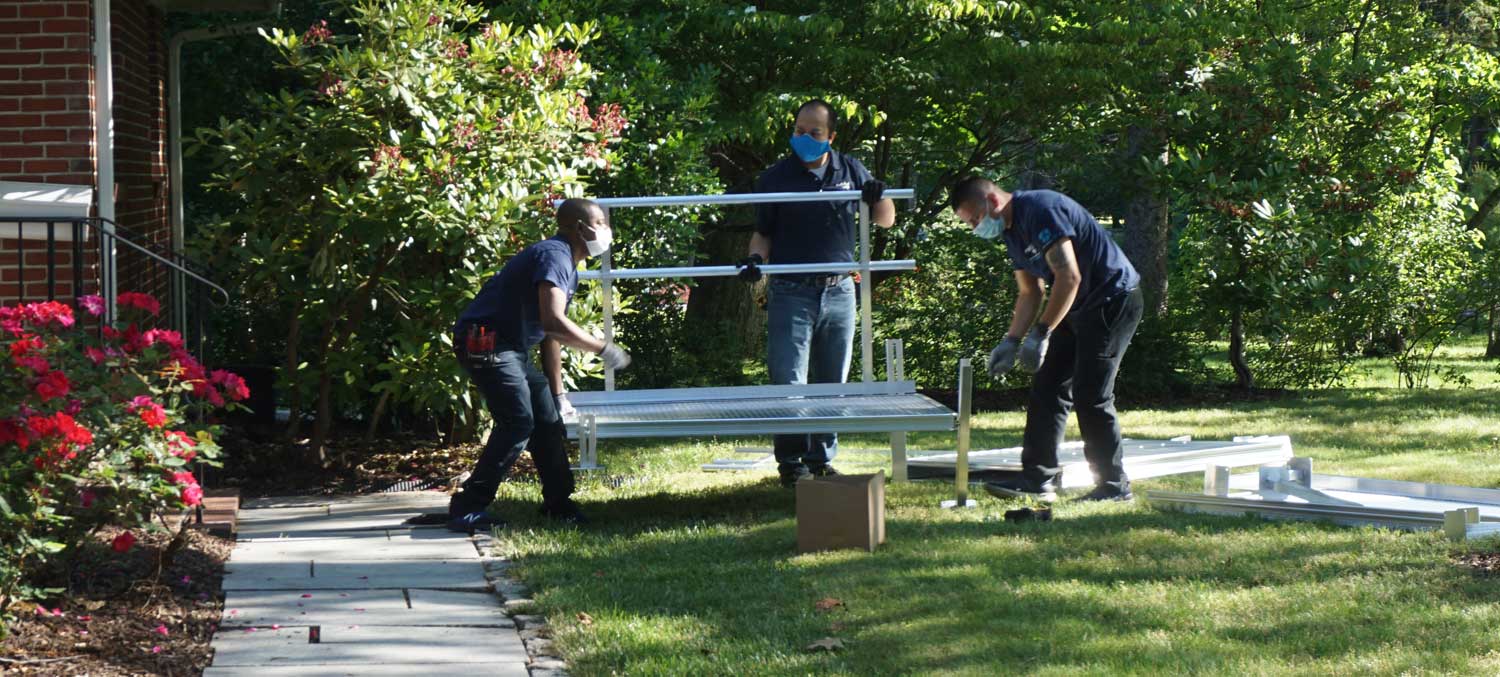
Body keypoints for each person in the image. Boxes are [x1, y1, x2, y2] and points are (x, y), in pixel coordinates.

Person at [948, 177, 1143, 502]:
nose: (974, 228)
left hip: (1112, 298)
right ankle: (1037, 479)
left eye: (974, 219)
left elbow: (1069, 276)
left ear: (993, 202)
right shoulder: (1011, 232)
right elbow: (1030, 291)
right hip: (1075, 303)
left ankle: (1113, 487)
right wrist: (1011, 340)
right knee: (1047, 387)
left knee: (1090, 394)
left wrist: (1040, 333)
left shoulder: (1041, 210)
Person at [447, 198, 632, 532]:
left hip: (510, 347)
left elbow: (550, 335)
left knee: (547, 420)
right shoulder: (555, 256)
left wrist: (558, 394)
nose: (607, 230)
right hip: (486, 342)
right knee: (518, 422)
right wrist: (603, 349)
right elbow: (554, 322)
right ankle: (468, 507)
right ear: (581, 227)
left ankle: (559, 504)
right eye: (601, 222)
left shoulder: (565, 262)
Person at [738, 99, 896, 488]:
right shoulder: (776, 177)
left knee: (832, 381)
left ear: (831, 137)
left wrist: (878, 195)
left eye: (814, 133)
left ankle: (821, 459)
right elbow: (763, 232)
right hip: (791, 291)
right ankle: (792, 466)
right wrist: (755, 259)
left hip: (839, 289)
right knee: (789, 381)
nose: (804, 138)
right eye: (798, 130)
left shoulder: (850, 168)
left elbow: (886, 220)